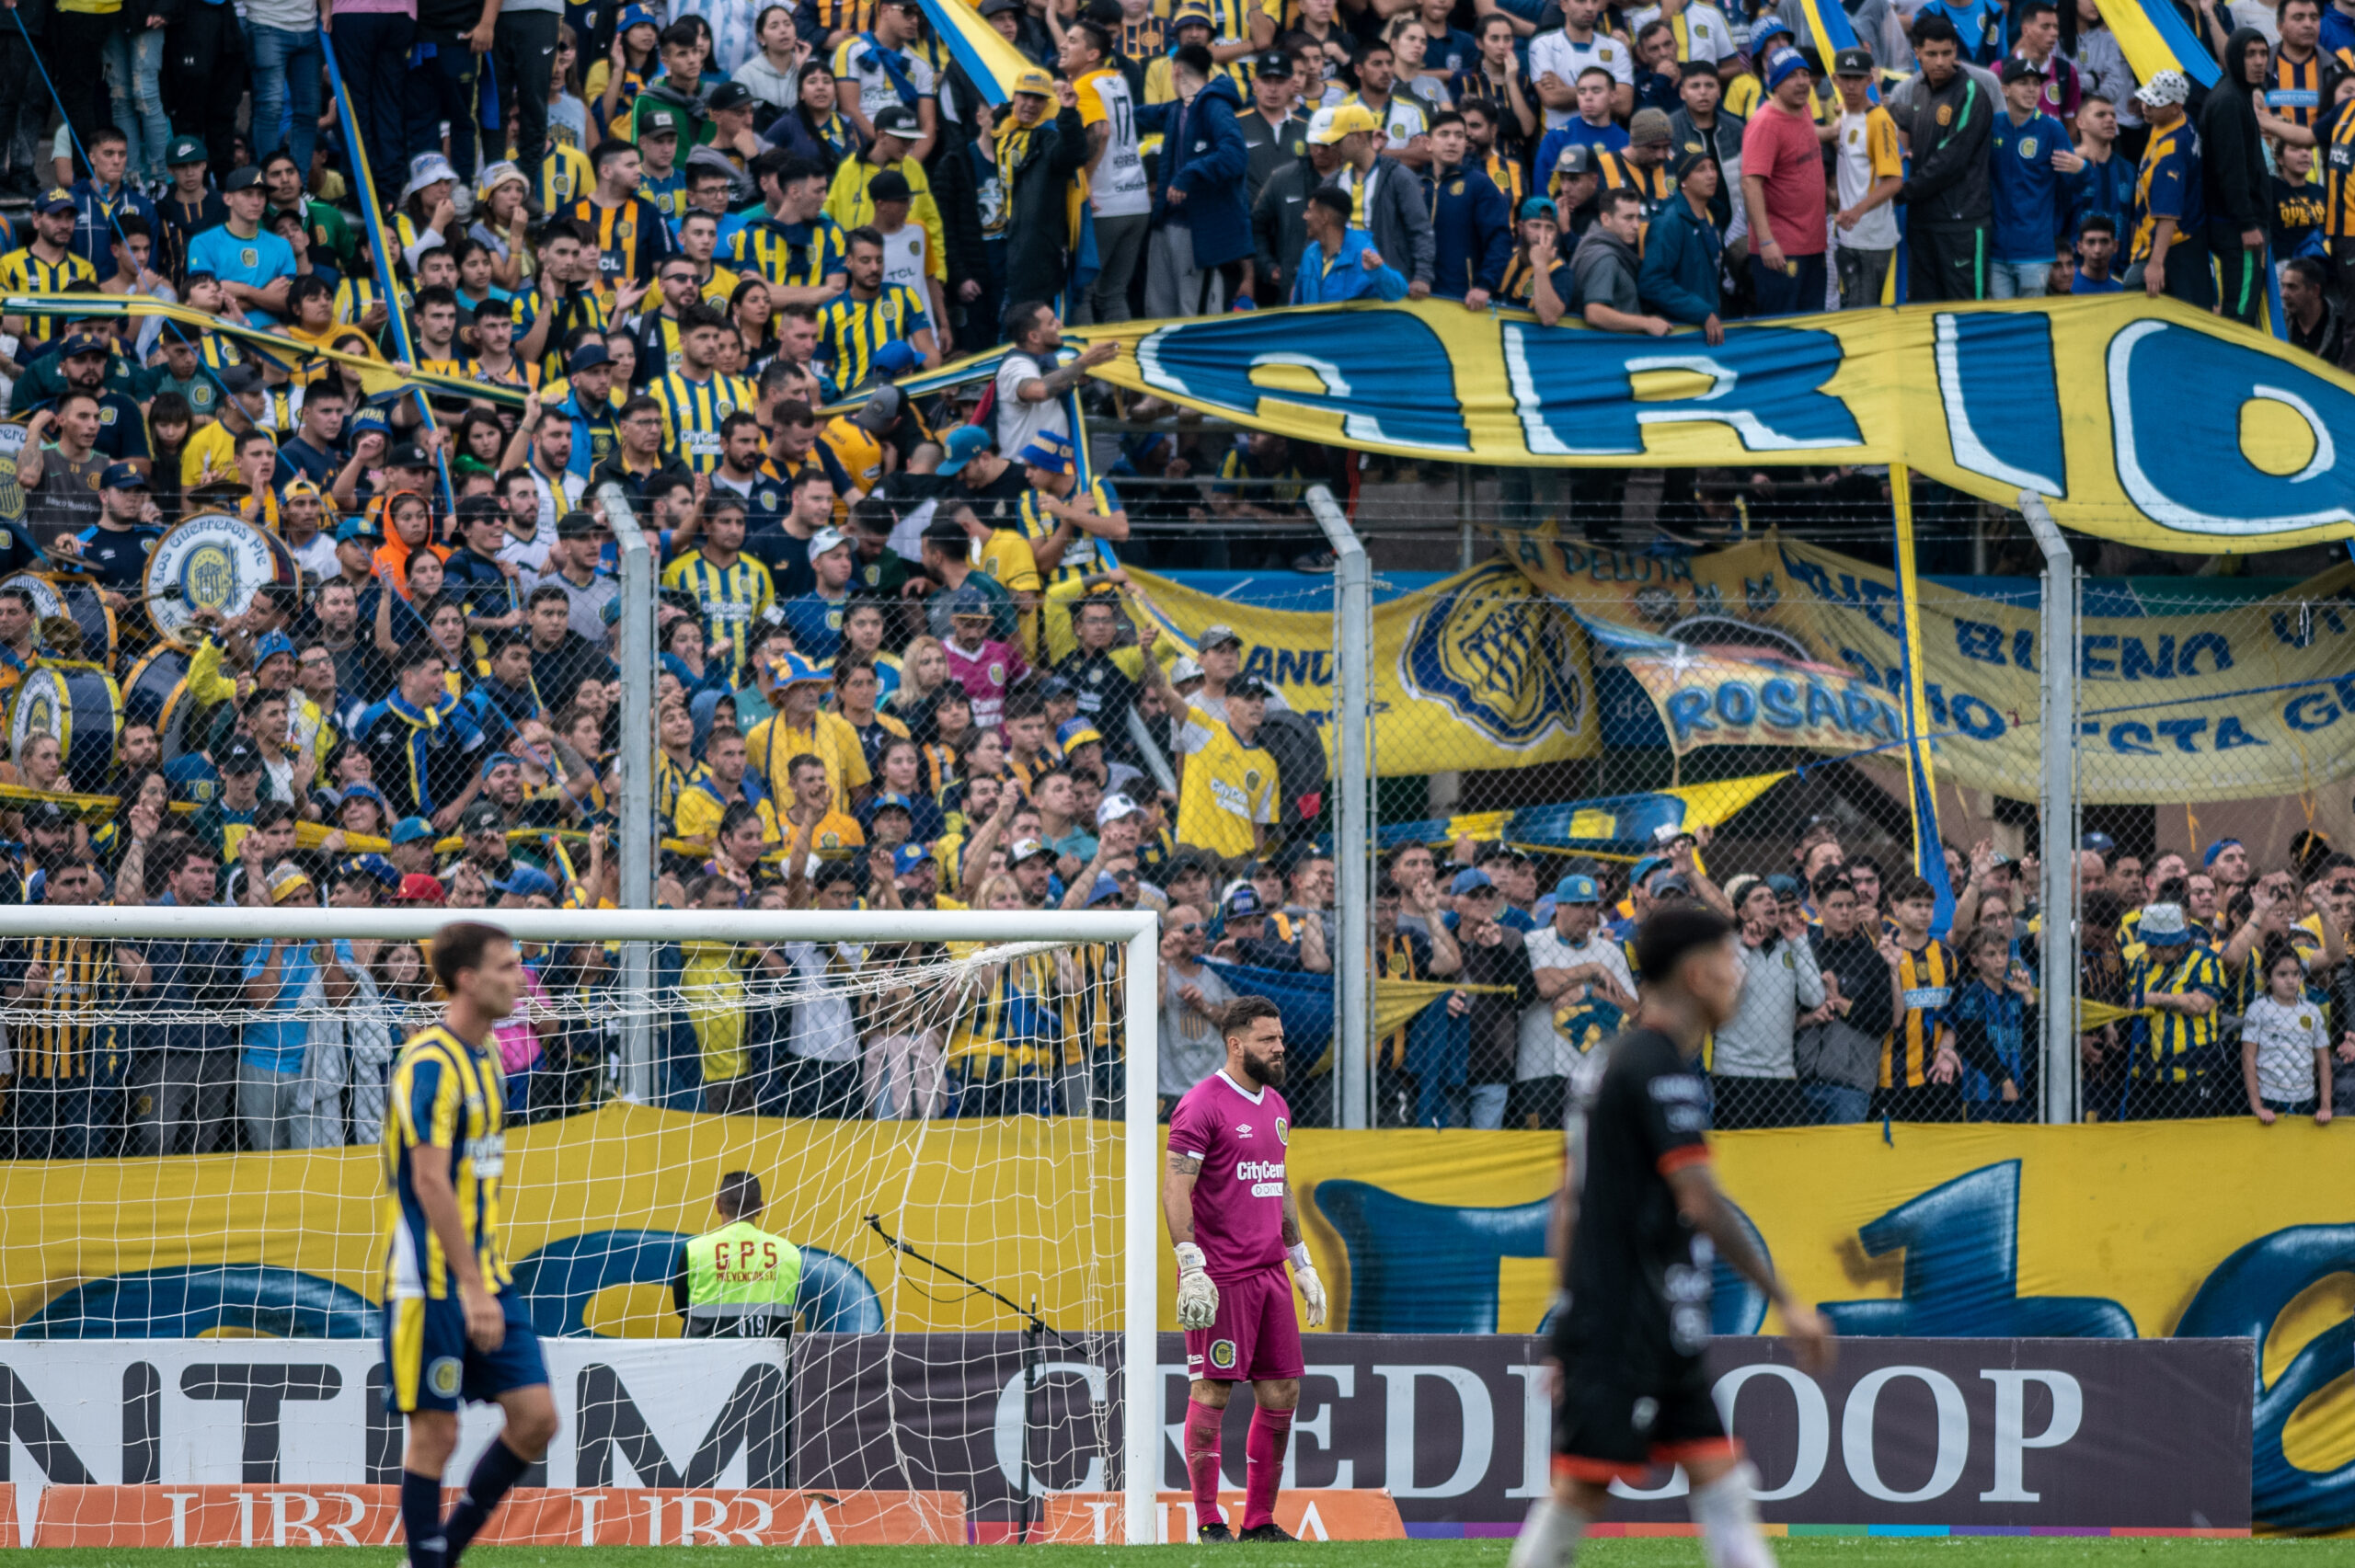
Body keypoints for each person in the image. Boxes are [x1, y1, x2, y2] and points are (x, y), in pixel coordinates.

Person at [1507, 903, 1832, 1568]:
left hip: (1645, 1314)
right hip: (1630, 1320)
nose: (1739, 977)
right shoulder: (1657, 1063)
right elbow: (1699, 1198)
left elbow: (1568, 1204)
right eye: (1728, 961)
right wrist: (1788, 1299)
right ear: (1695, 974)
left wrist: (1570, 1317)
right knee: (1581, 1489)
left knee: (1722, 1480)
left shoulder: (1611, 1063)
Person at [382, 921, 558, 1568]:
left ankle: (437, 1557)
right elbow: (429, 1180)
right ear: (467, 978)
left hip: (483, 1271)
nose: (520, 978)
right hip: (432, 1281)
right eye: (508, 966)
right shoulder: (431, 1061)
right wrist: (469, 1283)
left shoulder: (487, 1056)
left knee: (536, 1417)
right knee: (436, 1431)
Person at [1165, 994, 1328, 1543]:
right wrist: (1190, 1263)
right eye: (1268, 1040)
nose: (1280, 1047)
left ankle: (1258, 1522)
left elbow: (1277, 1181)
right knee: (1212, 1392)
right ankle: (1210, 1521)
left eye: (1280, 1039)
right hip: (1224, 1277)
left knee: (1282, 1394)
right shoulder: (1201, 1104)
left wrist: (1299, 1258)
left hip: (1270, 1275)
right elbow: (1176, 1186)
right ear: (1236, 1045)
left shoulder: (1278, 1105)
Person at [1894, 15, 1994, 301]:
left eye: (1946, 53)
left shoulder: (1970, 92)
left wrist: (1901, 193)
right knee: (1926, 316)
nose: (1940, 62)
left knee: (1967, 315)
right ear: (1917, 55)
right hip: (1922, 221)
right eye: (1932, 54)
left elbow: (1951, 160)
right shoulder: (1918, 91)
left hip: (1960, 225)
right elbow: (1909, 120)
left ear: (1956, 52)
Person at [1738, 46, 1828, 315]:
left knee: (1813, 324)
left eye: (1805, 74)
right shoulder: (1765, 124)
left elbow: (1803, 140)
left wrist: (1835, 131)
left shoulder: (1803, 109)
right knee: (1785, 327)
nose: (1802, 82)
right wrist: (1766, 242)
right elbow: (1750, 183)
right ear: (1775, 83)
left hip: (1813, 243)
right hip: (1782, 249)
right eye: (1791, 76)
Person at [1988, 56, 2083, 298]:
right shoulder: (1992, 125)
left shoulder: (2053, 130)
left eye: (2035, 83)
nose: (2031, 89)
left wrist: (2082, 170)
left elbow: (2072, 185)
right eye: (2023, 83)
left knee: (2029, 325)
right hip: (1995, 250)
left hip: (2035, 251)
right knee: (2001, 323)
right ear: (2005, 89)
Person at [671, 1169, 803, 1335]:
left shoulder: (695, 1250)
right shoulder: (789, 1252)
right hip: (769, 1358)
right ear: (760, 1208)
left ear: (718, 1205)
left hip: (706, 1357)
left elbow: (681, 1309)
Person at [2127, 70, 2212, 307]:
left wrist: (2156, 263)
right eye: (2147, 99)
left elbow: (2168, 214)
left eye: (2155, 103)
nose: (2147, 107)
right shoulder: (2180, 121)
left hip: (2173, 249)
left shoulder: (2171, 154)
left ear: (2176, 106)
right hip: (2189, 237)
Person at [1829, 48, 1903, 307]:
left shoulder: (1878, 120)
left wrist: (1857, 210)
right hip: (1849, 235)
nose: (1851, 85)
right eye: (1845, 78)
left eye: (1857, 79)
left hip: (1870, 240)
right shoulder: (1844, 114)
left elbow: (1895, 180)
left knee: (1862, 317)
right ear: (1834, 79)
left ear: (1869, 81)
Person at [1291, 186, 1410, 302]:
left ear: (1324, 217)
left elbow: (1398, 294)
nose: (1305, 216)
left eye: (1310, 211)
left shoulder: (1363, 254)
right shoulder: (1310, 254)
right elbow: (1297, 307)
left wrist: (1379, 271)